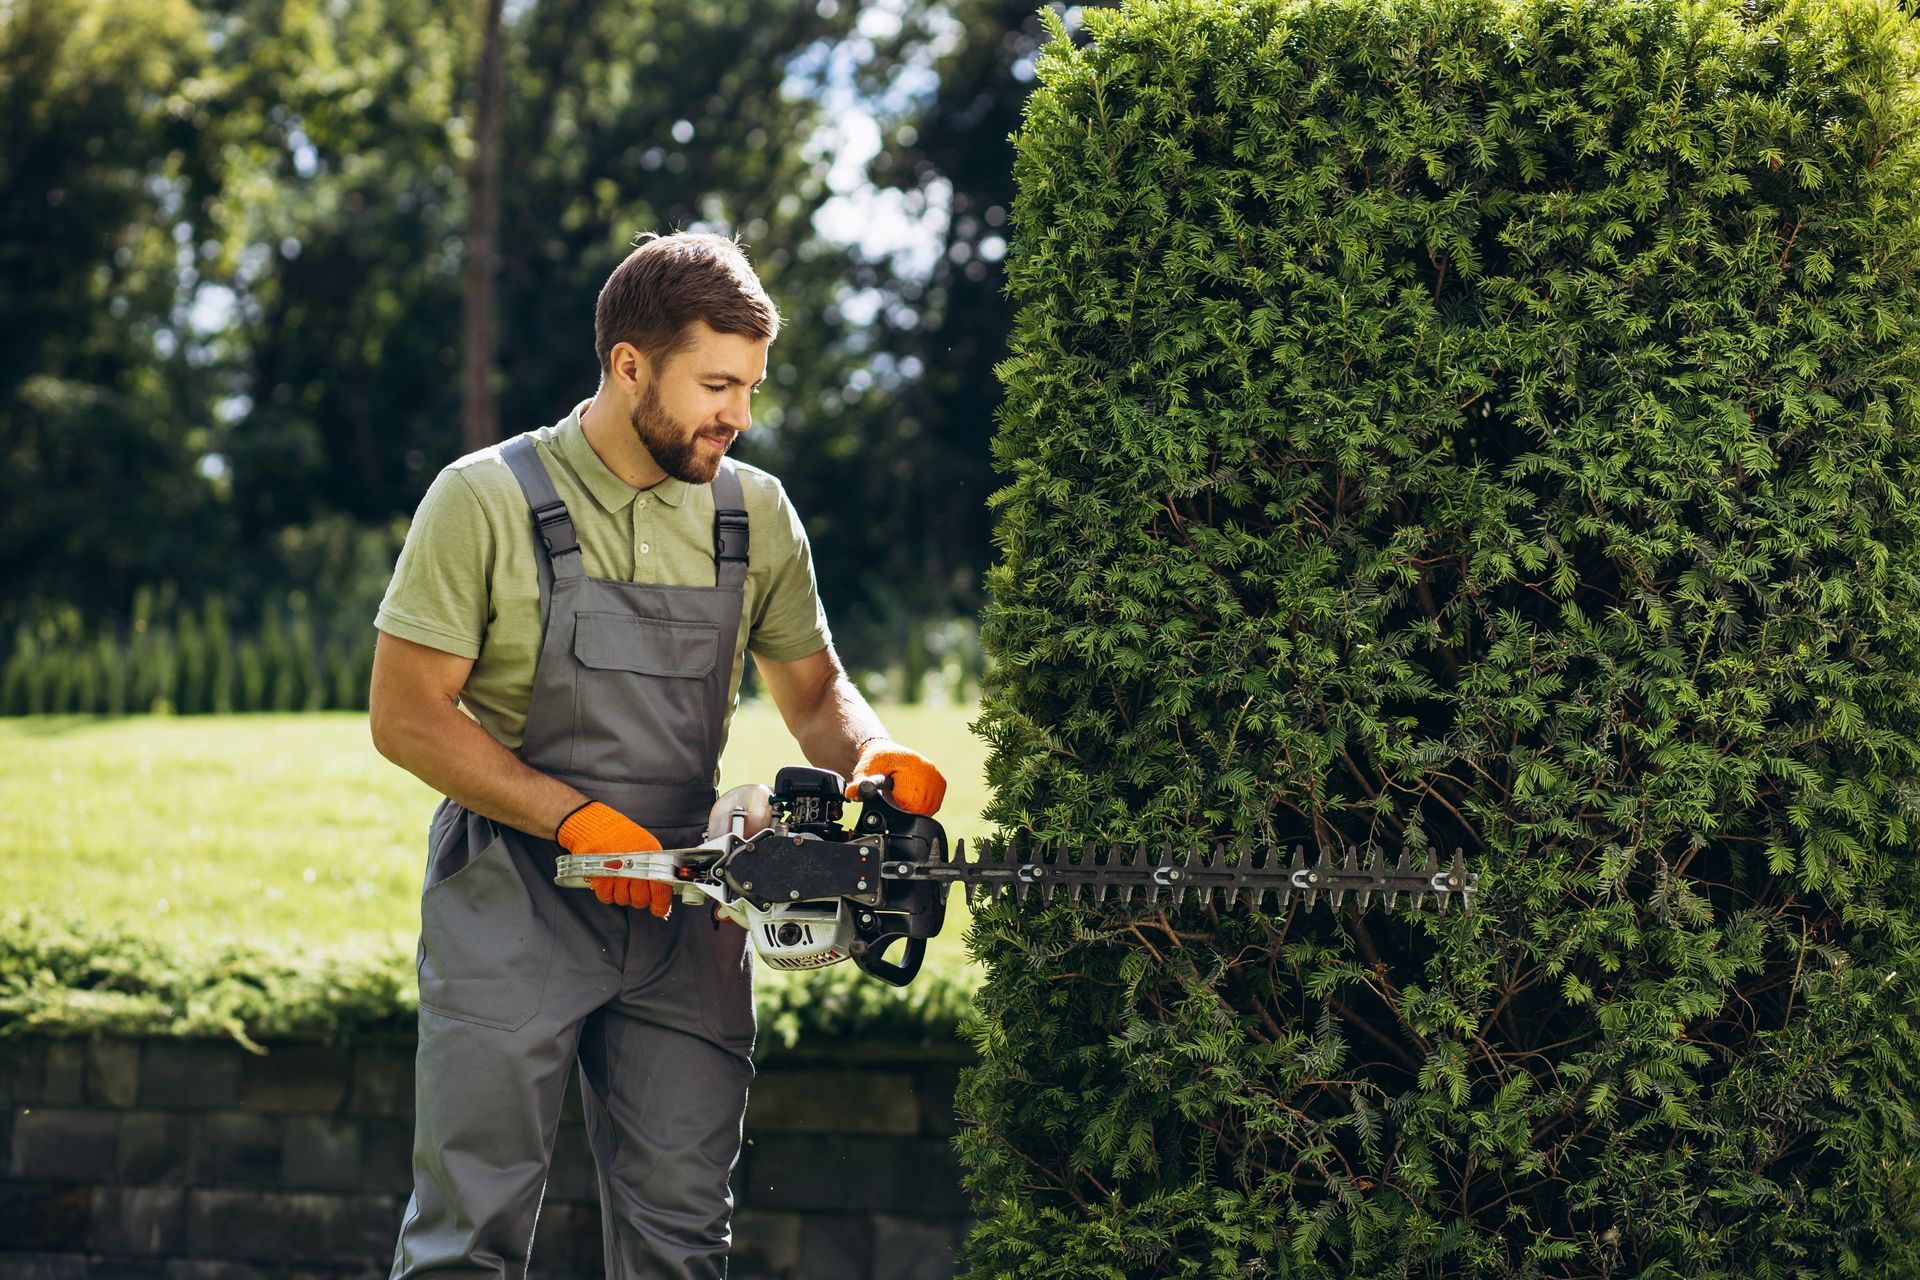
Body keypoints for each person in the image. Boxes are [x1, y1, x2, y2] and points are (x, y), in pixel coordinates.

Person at [368, 231, 947, 1279]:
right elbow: (407, 716)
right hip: (514, 896)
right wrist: (572, 817)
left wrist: (874, 751)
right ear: (630, 364)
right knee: (468, 1236)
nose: (742, 414)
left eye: (752, 387)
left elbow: (814, 689)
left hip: (688, 904)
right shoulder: (485, 498)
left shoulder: (753, 511)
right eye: (717, 383)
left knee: (683, 1242)